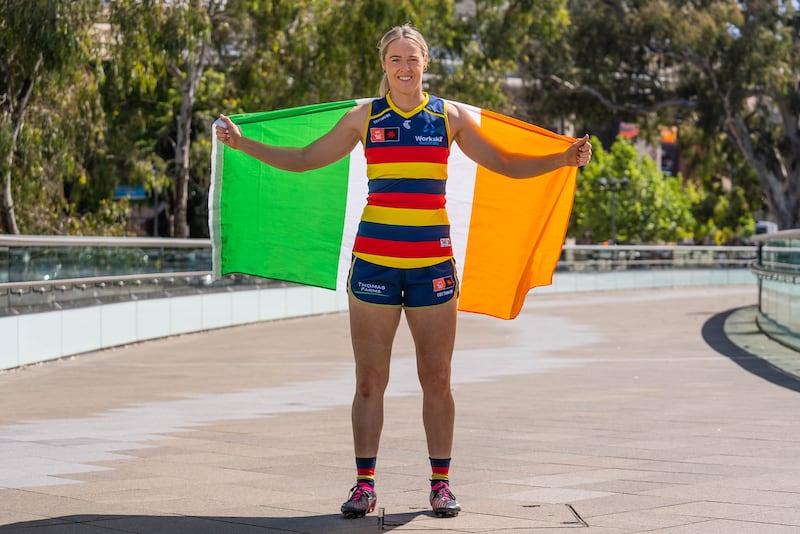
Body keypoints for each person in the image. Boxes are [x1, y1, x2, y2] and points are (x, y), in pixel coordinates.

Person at [215, 24, 592, 519]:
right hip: (373, 264)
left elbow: (501, 161)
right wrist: (244, 147)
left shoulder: (449, 117)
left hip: (432, 267)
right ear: (384, 65)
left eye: (412, 58)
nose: (404, 67)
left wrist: (560, 158)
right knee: (370, 379)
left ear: (426, 63)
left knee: (437, 377)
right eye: (395, 59)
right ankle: (364, 486)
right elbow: (308, 158)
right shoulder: (365, 117)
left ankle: (440, 485)